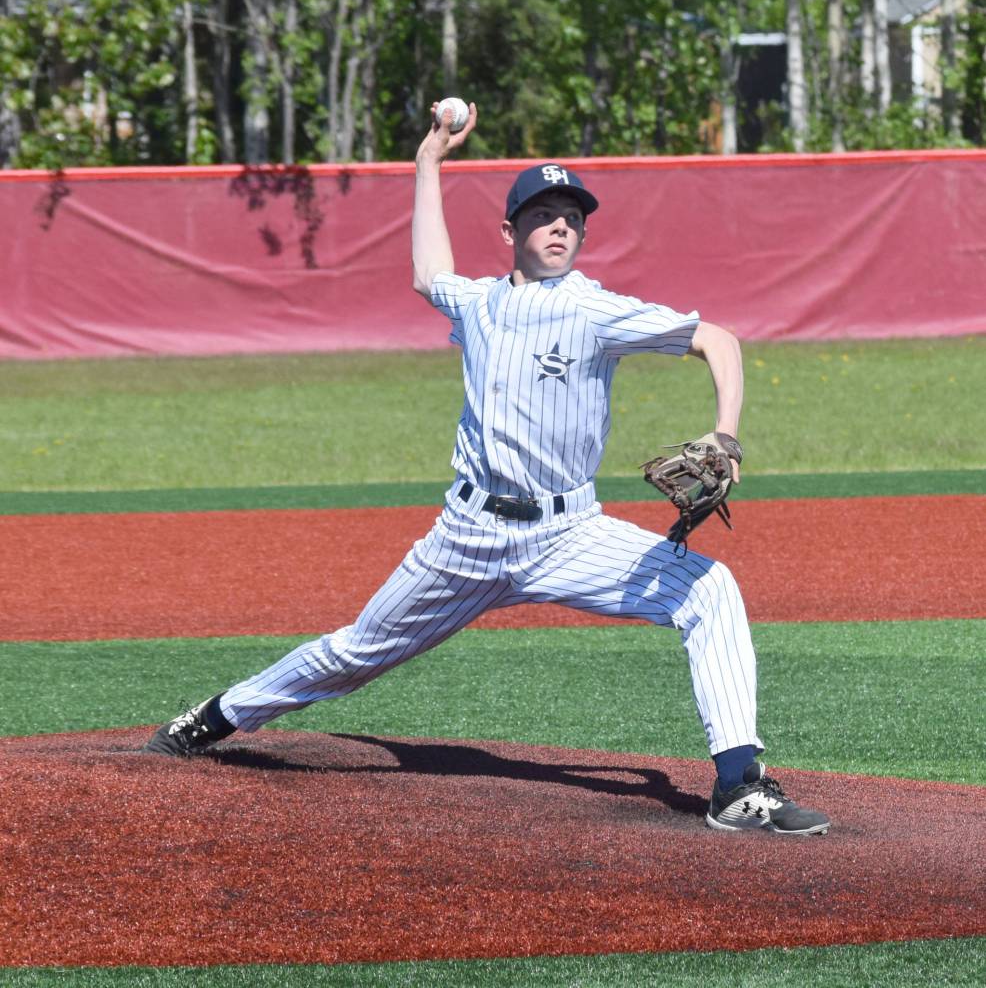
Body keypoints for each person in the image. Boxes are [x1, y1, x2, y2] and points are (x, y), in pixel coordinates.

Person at [144, 102, 830, 836]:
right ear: (511, 232)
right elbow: (427, 271)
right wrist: (428, 161)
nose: (560, 225)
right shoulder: (476, 304)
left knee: (710, 589)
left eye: (571, 213)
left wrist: (725, 434)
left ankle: (736, 784)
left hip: (570, 532)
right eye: (542, 213)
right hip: (466, 537)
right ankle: (217, 715)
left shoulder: (596, 310)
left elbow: (717, 339)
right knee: (354, 654)